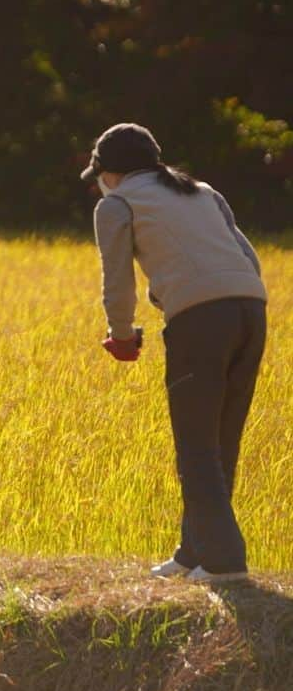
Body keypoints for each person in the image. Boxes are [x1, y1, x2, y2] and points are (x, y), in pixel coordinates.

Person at [81, 123, 267, 584]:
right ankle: (193, 553)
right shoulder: (204, 192)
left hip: (200, 324)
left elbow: (118, 280)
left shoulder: (116, 204)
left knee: (196, 448)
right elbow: (247, 258)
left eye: (100, 174)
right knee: (221, 440)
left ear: (112, 172)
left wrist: (121, 335)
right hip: (251, 311)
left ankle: (224, 563)